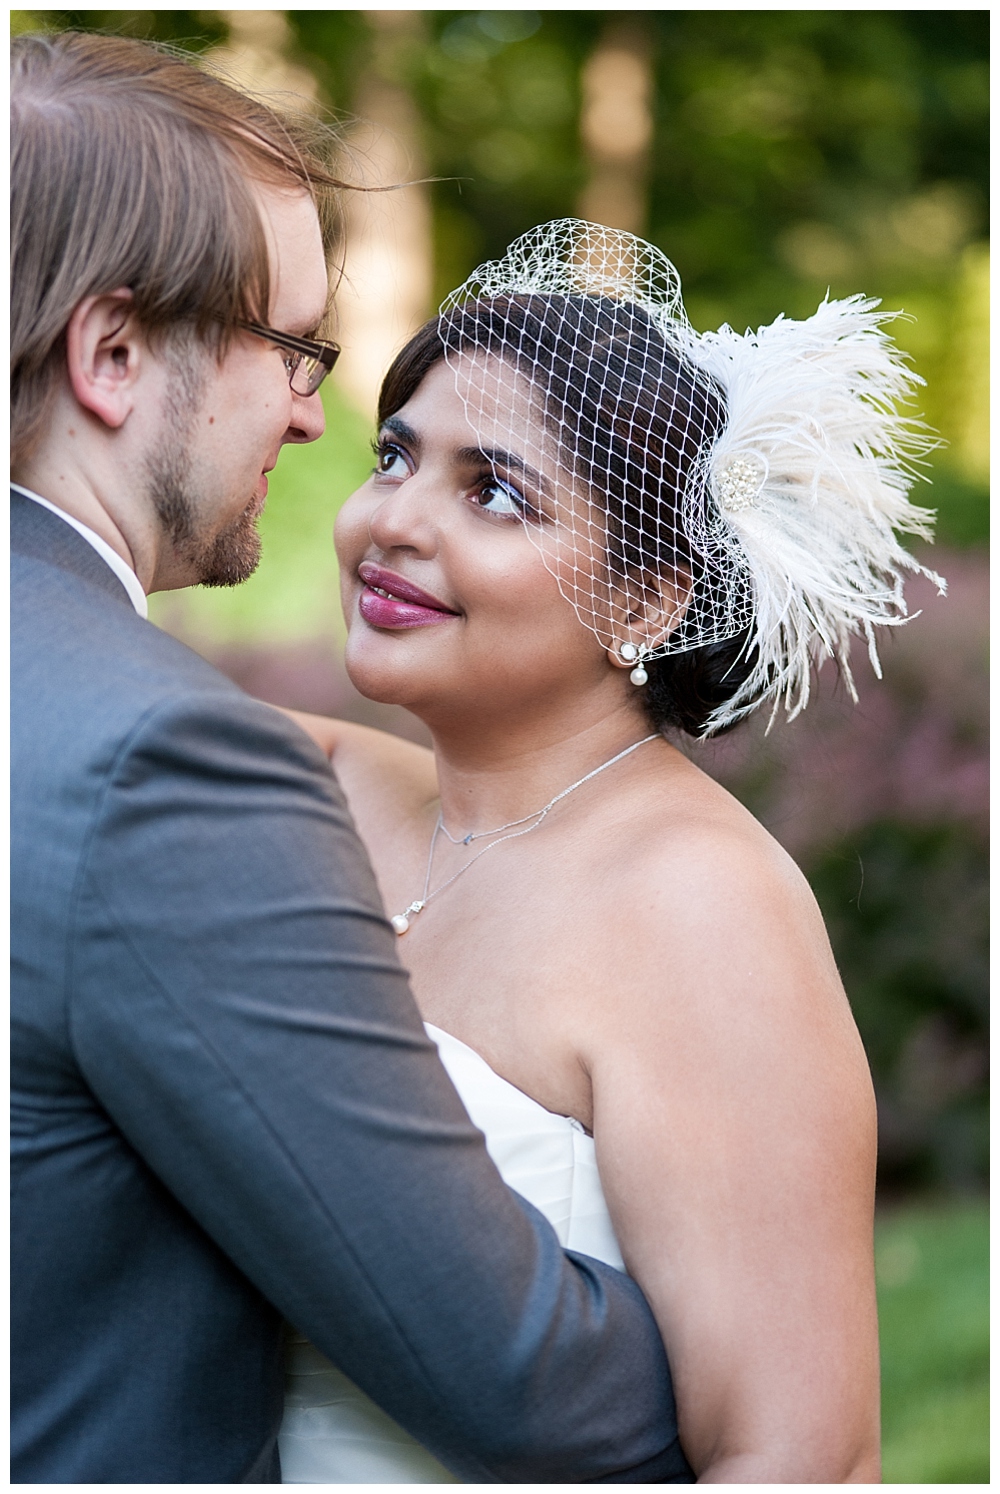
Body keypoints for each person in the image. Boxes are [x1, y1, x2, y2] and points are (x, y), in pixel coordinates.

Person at [10, 41, 694, 1485]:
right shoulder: (162, 761)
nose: (314, 418)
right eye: (295, 351)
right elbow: (508, 1370)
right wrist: (753, 1350)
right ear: (114, 353)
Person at [283, 220, 948, 1482]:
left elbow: (800, 1460)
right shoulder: (314, 790)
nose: (391, 522)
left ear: (646, 601)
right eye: (393, 458)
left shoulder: (699, 906)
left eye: (491, 490)